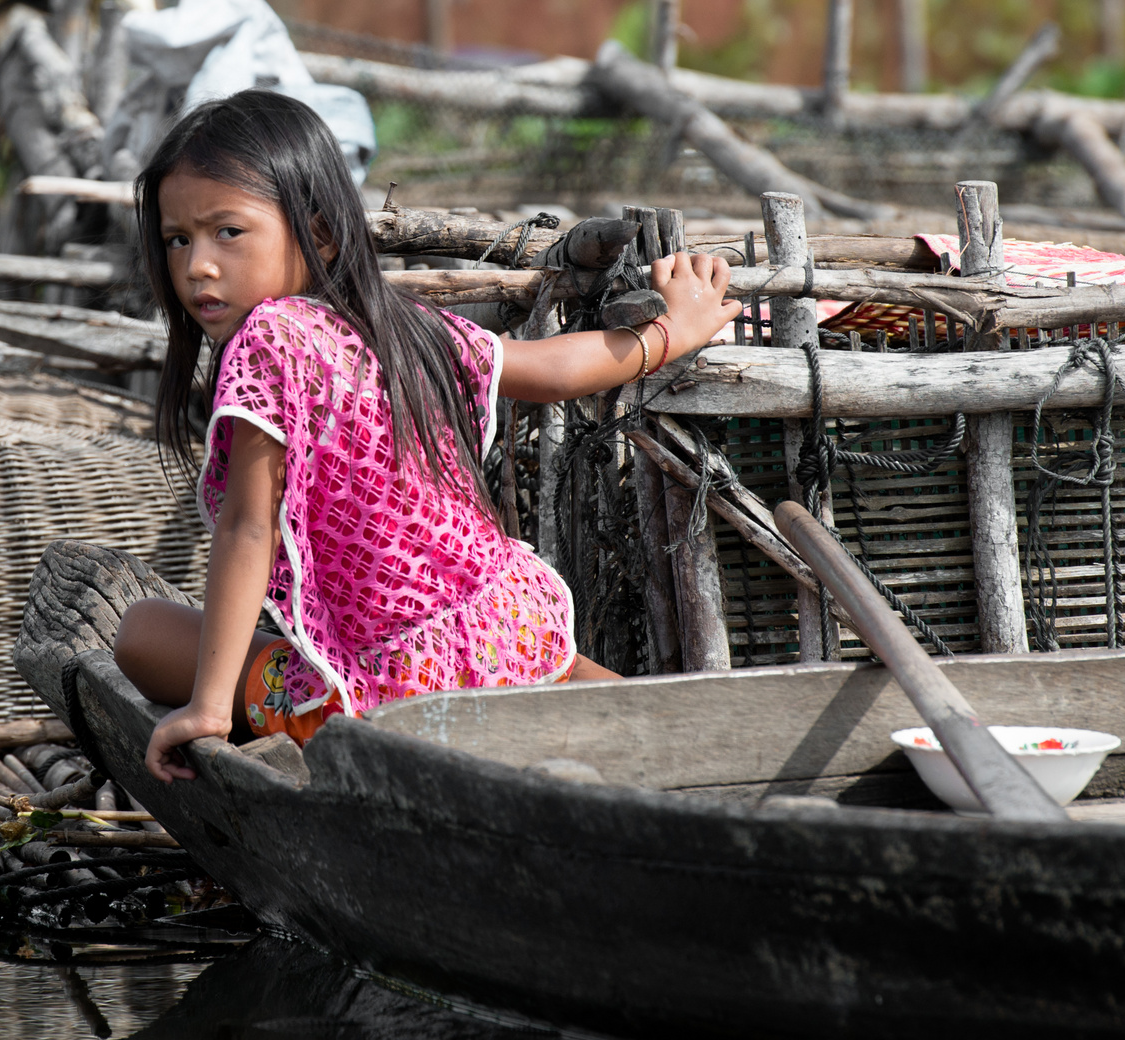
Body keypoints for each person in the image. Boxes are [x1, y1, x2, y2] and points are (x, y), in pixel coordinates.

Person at [111, 89, 740, 783]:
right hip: (508, 629)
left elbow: (249, 531)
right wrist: (669, 331)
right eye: (179, 239)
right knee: (661, 729)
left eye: (227, 232)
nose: (198, 264)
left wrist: (205, 708)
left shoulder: (269, 338)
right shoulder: (398, 323)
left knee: (142, 632)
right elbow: (553, 370)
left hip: (389, 699)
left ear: (318, 235)